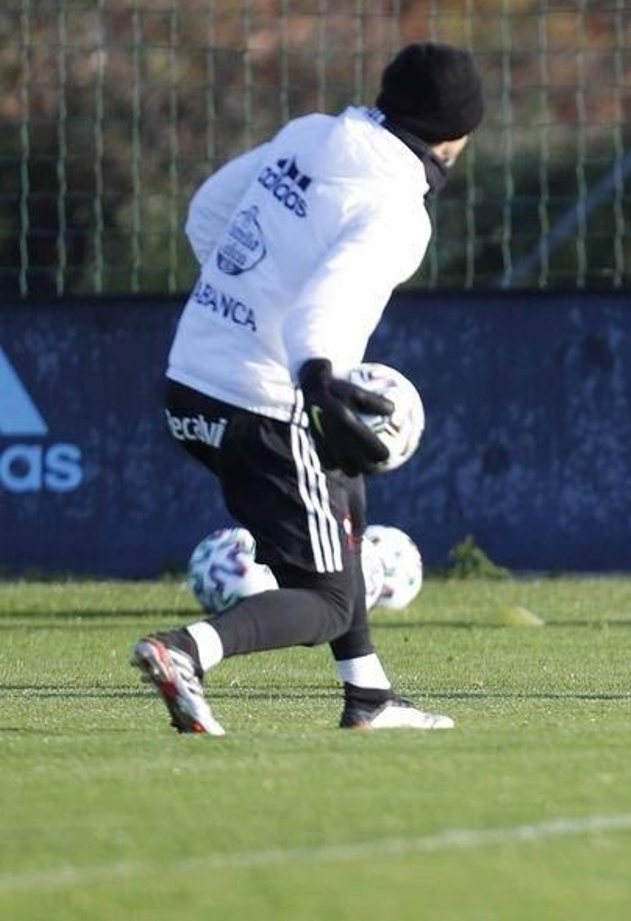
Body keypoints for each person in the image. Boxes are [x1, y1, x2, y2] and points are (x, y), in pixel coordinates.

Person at [132, 43, 485, 734]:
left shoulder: (312, 134)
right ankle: (184, 651)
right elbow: (333, 298)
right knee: (322, 597)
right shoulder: (399, 208)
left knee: (344, 488)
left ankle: (369, 696)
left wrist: (248, 304)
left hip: (190, 383)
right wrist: (317, 375)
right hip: (264, 403)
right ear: (456, 137)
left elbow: (207, 214)